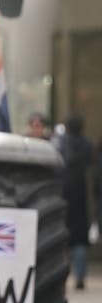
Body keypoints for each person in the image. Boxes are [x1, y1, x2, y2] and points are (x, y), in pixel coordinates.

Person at [54, 114, 92, 290]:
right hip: (80, 194)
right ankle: (80, 277)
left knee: (62, 237)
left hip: (63, 191)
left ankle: (61, 275)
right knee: (79, 240)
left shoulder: (61, 144)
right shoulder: (86, 145)